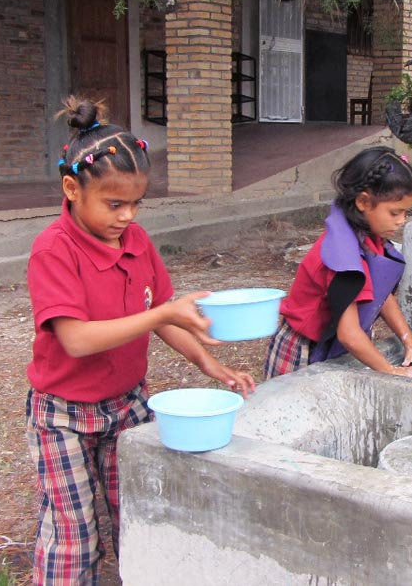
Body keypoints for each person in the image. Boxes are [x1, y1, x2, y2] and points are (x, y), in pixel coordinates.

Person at [25, 97, 255, 585]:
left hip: (127, 404)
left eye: (136, 203)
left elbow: (163, 319)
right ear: (72, 189)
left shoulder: (137, 242)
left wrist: (207, 364)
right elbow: (78, 340)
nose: (127, 215)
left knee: (138, 510)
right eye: (114, 204)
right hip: (64, 414)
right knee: (74, 532)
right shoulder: (55, 249)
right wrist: (161, 312)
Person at [264, 146, 412, 379]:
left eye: (405, 213)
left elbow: (380, 294)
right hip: (303, 350)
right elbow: (349, 334)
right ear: (363, 202)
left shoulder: (368, 236)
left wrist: (410, 344)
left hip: (330, 344)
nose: (401, 221)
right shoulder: (342, 257)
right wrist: (392, 372)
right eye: (394, 212)